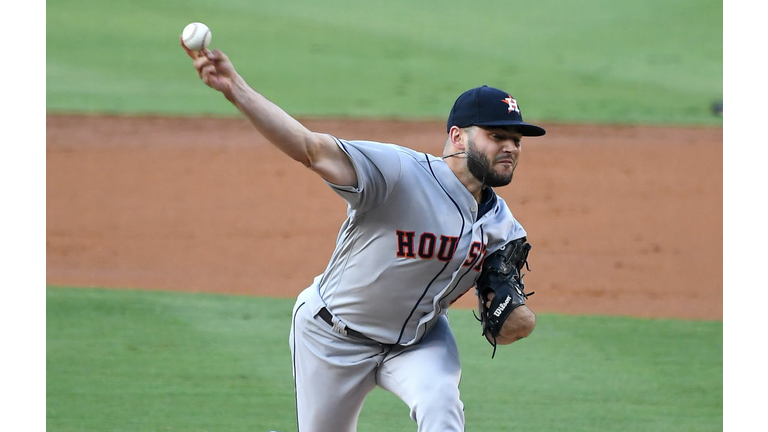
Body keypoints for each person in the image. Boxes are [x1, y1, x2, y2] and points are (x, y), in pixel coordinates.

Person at [182, 40, 545, 432]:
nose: (510, 147)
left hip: (418, 341)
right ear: (458, 138)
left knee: (440, 403)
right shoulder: (400, 173)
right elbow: (311, 149)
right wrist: (235, 87)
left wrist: (510, 319)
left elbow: (504, 324)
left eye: (517, 140)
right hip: (332, 336)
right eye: (497, 136)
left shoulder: (504, 228)